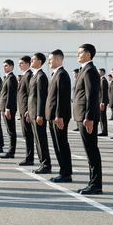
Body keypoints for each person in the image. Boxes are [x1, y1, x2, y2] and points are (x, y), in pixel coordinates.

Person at [73, 44, 102, 195]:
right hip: (82, 115)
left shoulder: (90, 71)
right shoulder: (84, 70)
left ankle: (96, 184)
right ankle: (92, 182)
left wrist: (89, 116)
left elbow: (92, 96)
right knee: (89, 150)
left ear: (88, 55)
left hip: (87, 116)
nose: (77, 55)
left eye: (80, 53)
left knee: (91, 150)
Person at [46, 50, 72, 183]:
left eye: (50, 59)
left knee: (61, 144)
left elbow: (62, 98)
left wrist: (59, 115)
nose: (48, 62)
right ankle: (62, 171)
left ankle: (66, 173)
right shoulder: (55, 74)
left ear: (58, 60)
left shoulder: (62, 75)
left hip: (59, 117)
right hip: (53, 116)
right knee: (57, 145)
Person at [28, 53, 51, 173]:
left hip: (38, 114)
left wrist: (39, 114)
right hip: (32, 112)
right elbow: (31, 96)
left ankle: (46, 165)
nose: (31, 60)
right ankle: (43, 163)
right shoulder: (34, 75)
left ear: (40, 61)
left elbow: (42, 97)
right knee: (37, 139)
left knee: (41, 140)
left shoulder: (41, 76)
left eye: (34, 59)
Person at [17, 56, 35, 165]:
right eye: (19, 63)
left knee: (28, 135)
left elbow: (30, 94)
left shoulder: (28, 76)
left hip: (26, 110)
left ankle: (30, 158)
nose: (20, 65)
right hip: (22, 109)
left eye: (22, 63)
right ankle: (28, 157)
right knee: (26, 134)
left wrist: (28, 109)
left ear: (28, 64)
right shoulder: (24, 75)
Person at [0, 60, 18, 158]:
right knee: (9, 129)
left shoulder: (11, 78)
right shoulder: (6, 77)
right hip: (5, 107)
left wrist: (8, 108)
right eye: (3, 66)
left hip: (8, 108)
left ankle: (11, 152)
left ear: (11, 67)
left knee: (11, 130)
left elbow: (10, 95)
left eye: (6, 66)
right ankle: (10, 150)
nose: (4, 68)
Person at [98, 68, 109, 136]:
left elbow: (103, 92)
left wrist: (102, 102)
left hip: (103, 102)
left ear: (102, 73)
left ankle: (104, 131)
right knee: (101, 116)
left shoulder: (103, 80)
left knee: (103, 116)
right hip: (101, 101)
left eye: (99, 72)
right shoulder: (101, 80)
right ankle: (103, 130)